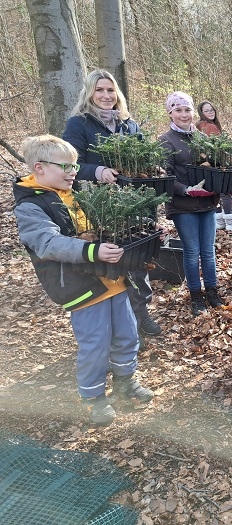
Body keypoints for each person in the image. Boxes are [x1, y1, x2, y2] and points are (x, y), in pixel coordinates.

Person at [13, 135, 153, 426]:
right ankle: (93, 397)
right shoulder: (31, 206)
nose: (73, 172)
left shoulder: (77, 193)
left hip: (114, 279)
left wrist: (142, 231)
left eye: (75, 166)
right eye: (65, 166)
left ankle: (126, 382)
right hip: (81, 288)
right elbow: (48, 243)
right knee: (95, 344)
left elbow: (107, 224)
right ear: (39, 167)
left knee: (127, 334)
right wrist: (92, 250)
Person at [63, 69, 162, 338]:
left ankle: (143, 315)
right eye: (100, 90)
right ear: (90, 93)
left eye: (110, 90)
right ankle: (125, 327)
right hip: (103, 208)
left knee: (140, 260)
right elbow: (68, 163)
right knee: (115, 263)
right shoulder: (79, 124)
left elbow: (143, 159)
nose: (106, 95)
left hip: (136, 205)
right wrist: (97, 171)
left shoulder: (128, 124)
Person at [160, 91, 224, 316]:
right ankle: (196, 295)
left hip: (206, 202)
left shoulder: (202, 138)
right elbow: (165, 176)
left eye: (187, 109)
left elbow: (213, 166)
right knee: (192, 251)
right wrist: (186, 189)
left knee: (208, 251)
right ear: (170, 113)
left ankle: (212, 290)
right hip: (183, 205)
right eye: (178, 110)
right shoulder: (166, 141)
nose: (184, 114)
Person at [195, 100, 232, 233]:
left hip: (205, 163)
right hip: (215, 162)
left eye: (212, 110)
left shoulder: (200, 125)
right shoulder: (209, 126)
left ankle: (219, 221)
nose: (210, 112)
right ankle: (230, 222)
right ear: (201, 113)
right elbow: (219, 147)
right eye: (207, 110)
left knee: (215, 190)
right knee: (224, 190)